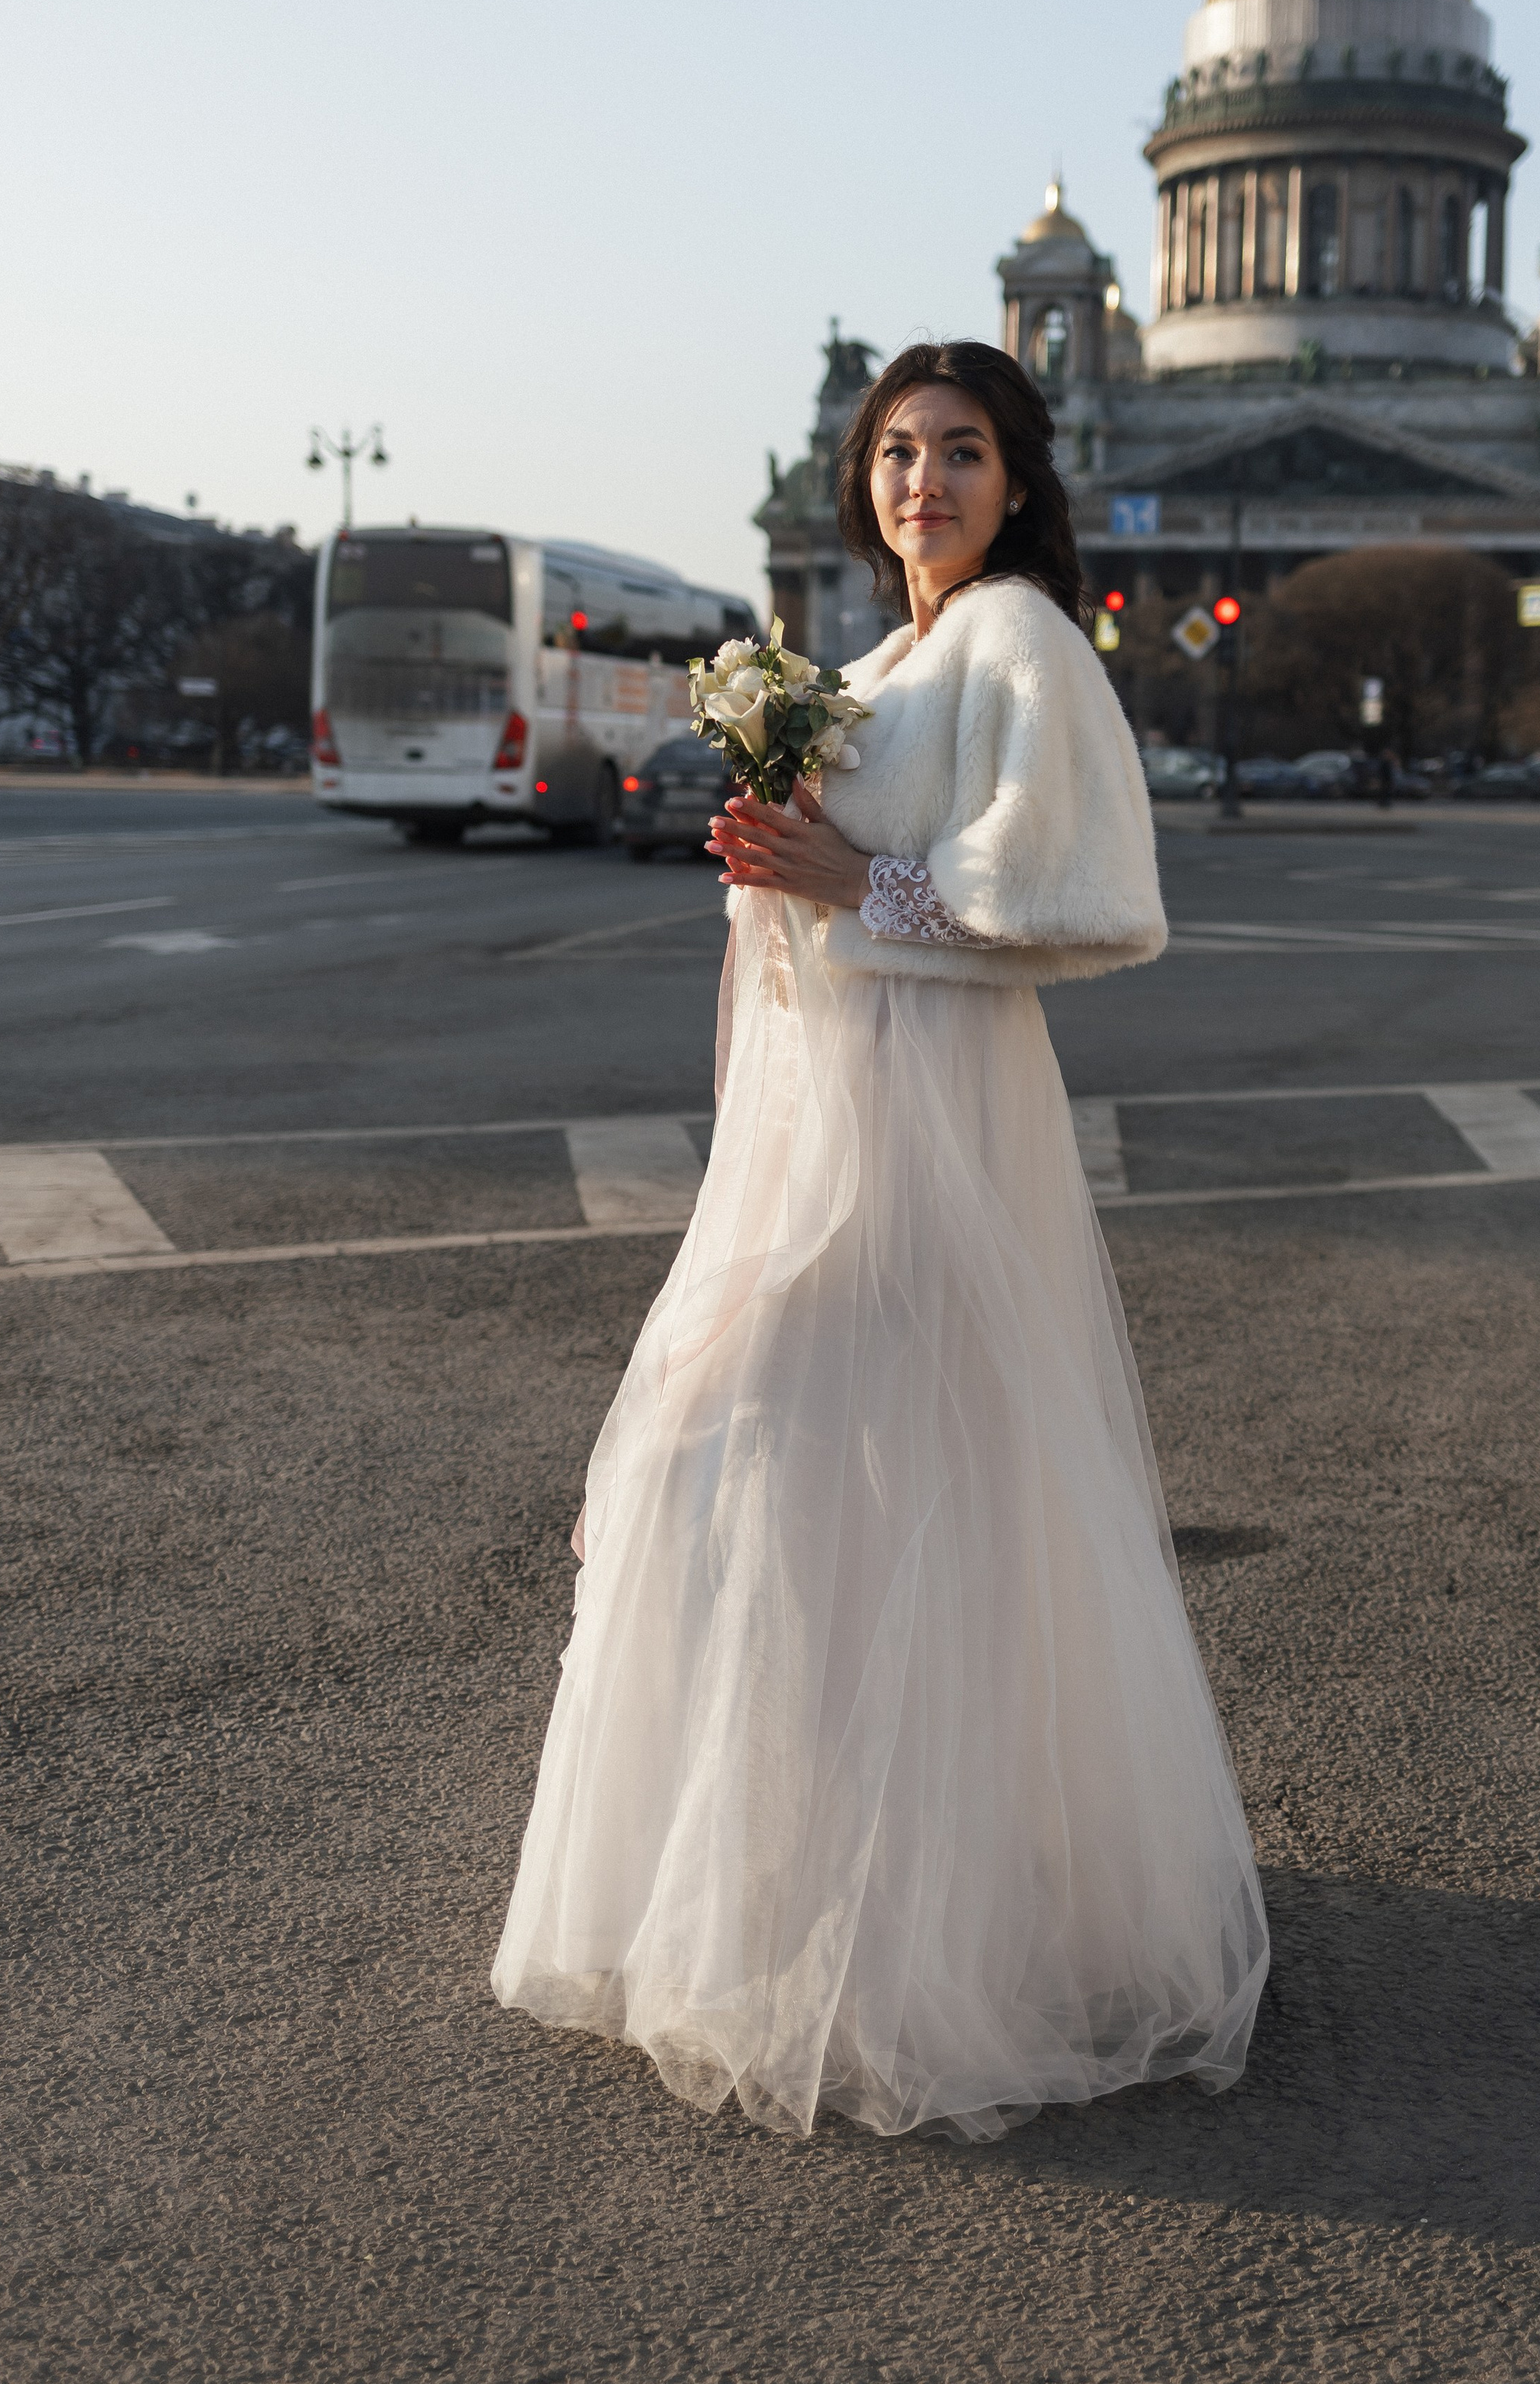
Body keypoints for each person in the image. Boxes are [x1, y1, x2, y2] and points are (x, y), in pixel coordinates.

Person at [492, 340, 1269, 2142]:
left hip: (932, 1130)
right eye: (899, 452)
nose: (923, 480)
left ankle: (905, 1925)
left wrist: (863, 887)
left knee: (759, 1449)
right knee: (856, 1487)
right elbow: (838, 902)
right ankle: (862, 1893)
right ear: (863, 481)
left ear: (1015, 484)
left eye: (962, 452)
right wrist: (775, 868)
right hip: (828, 1113)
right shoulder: (870, 666)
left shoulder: (1015, 641)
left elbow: (1087, 896)